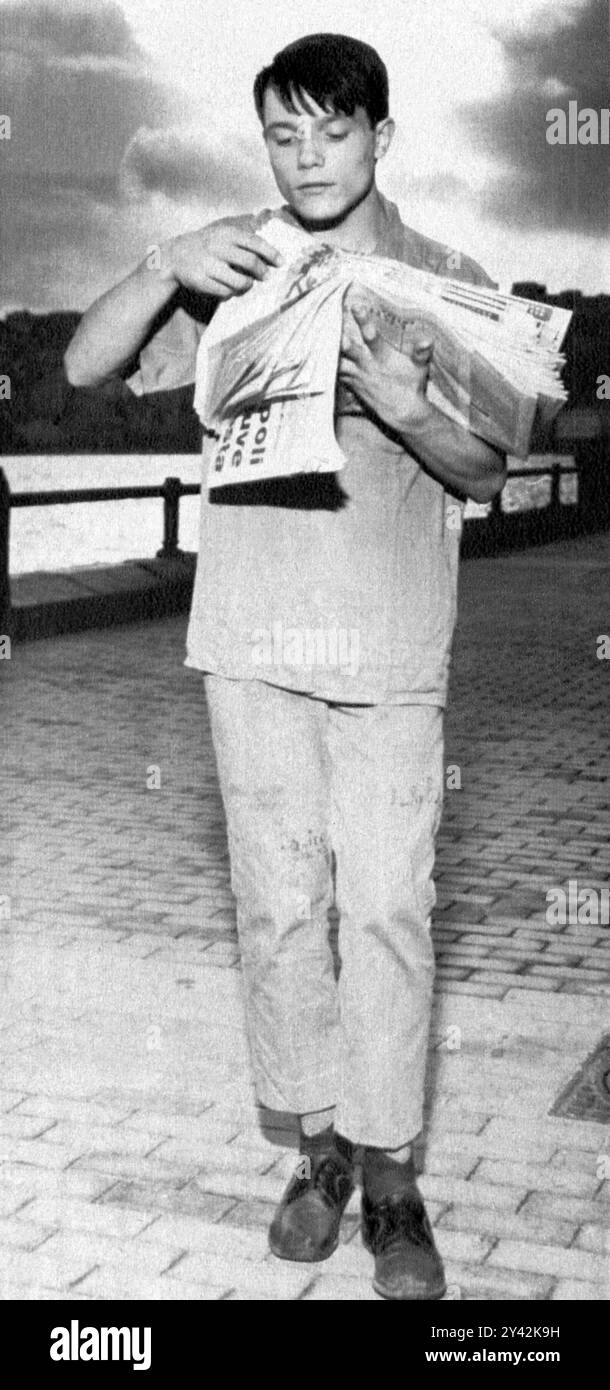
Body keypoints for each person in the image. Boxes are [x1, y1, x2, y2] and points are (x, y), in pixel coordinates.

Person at [64, 32, 506, 1300]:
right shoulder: (233, 267)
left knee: (385, 910)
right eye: (283, 132)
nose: (309, 157)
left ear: (382, 137)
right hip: (251, 640)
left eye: (335, 130)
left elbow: (486, 467)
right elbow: (89, 368)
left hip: (386, 645)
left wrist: (410, 404)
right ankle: (314, 1153)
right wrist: (165, 262)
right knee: (277, 906)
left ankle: (393, 1176)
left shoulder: (447, 278)